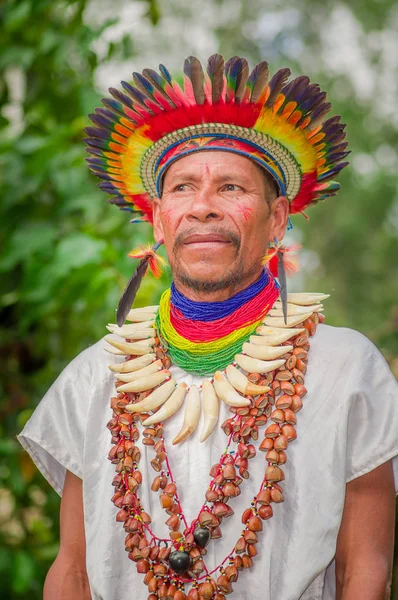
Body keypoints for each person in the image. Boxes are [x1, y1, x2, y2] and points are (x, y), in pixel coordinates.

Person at [18, 55, 398, 600]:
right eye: (181, 189)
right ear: (157, 220)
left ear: (278, 219)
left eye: (231, 188)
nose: (201, 207)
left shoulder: (345, 371)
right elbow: (74, 573)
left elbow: (366, 573)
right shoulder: (97, 377)